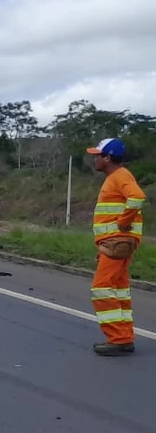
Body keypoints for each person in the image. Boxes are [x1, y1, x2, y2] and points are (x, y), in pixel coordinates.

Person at [87, 137, 146, 356]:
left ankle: (118, 338)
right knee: (119, 290)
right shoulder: (116, 177)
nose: (94, 159)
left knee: (101, 289)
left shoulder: (119, 176)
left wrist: (123, 223)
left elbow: (137, 198)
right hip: (113, 244)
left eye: (97, 156)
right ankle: (124, 337)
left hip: (118, 242)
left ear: (107, 157)